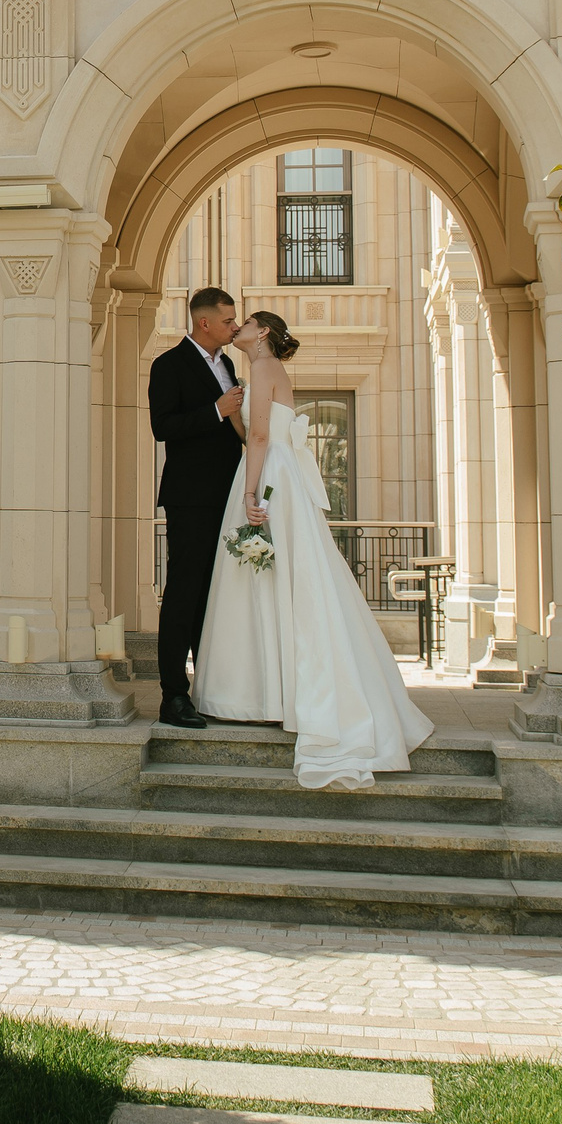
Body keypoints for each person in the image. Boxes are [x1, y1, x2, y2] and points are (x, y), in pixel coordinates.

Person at [194, 309, 433, 789]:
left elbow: (260, 436)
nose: (237, 327)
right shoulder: (266, 370)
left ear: (262, 333)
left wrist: (249, 495)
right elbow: (254, 431)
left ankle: (267, 694)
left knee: (268, 577)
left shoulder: (262, 368)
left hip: (267, 477)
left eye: (245, 323)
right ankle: (272, 692)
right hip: (274, 469)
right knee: (275, 578)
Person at [147, 287, 245, 729]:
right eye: (228, 321)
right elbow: (163, 427)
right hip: (190, 499)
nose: (235, 327)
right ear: (204, 322)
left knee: (213, 595)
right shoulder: (168, 365)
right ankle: (173, 697)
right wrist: (216, 411)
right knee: (184, 594)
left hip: (227, 497)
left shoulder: (227, 364)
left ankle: (209, 687)